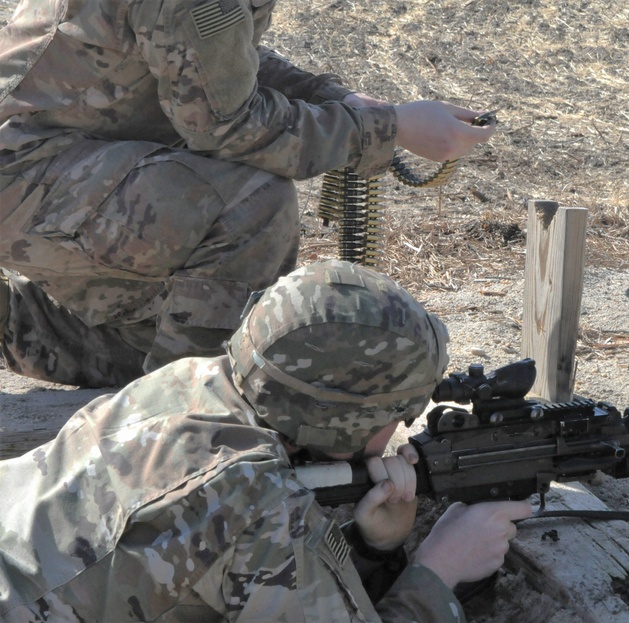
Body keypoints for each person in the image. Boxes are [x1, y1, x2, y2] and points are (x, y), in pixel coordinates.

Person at [0, 259, 532, 622]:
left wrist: (370, 548)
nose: (402, 429)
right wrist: (439, 571)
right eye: (399, 413)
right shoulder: (258, 497)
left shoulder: (191, 380)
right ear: (339, 424)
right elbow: (260, 532)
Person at [0, 0, 496, 388]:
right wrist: (385, 129)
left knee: (183, 330)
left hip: (46, 167)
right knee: (252, 205)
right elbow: (228, 126)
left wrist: (335, 99)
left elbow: (214, 59)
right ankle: (182, 429)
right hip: (28, 173)